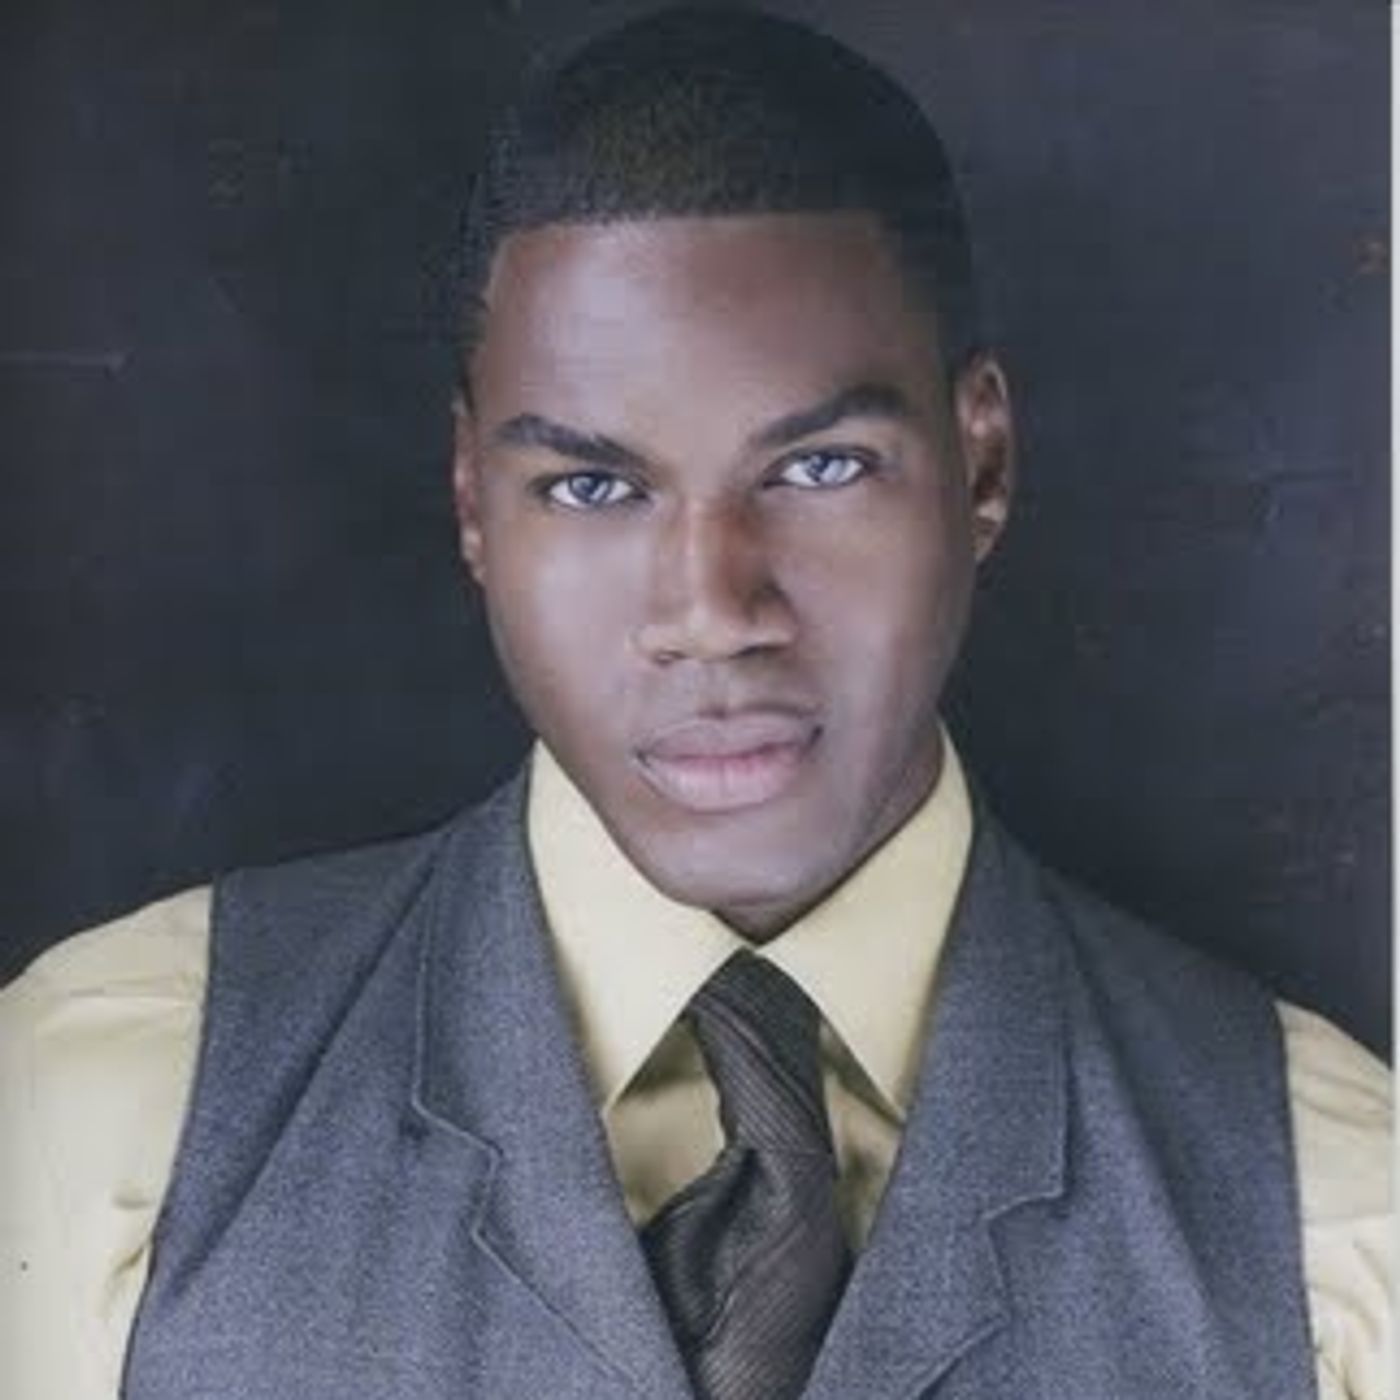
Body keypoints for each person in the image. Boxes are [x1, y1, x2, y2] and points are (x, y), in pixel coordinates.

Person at [0, 6, 1390, 1398]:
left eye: (820, 467)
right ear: (472, 502)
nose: (714, 610)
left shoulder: (1331, 1213)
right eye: (592, 486)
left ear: (981, 466)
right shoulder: (108, 1117)